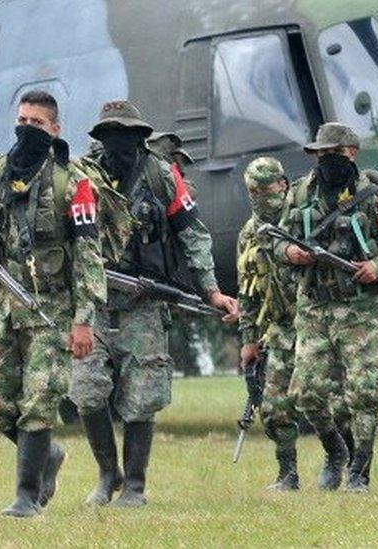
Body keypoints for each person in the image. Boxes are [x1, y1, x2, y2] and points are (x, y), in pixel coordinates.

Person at [70, 100, 238, 507]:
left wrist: (211, 290)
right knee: (87, 391)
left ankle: (136, 486)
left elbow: (192, 235)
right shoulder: (81, 178)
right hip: (91, 302)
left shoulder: (162, 177)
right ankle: (108, 474)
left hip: (145, 303)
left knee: (143, 395)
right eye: (110, 134)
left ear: (140, 137)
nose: (118, 143)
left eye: (126, 134)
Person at [0, 90, 106, 518]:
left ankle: (27, 497)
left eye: (37, 124)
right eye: (21, 120)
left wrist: (84, 321)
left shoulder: (73, 182)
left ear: (55, 129)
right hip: (4, 302)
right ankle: (48, 456)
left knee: (40, 399)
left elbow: (88, 256)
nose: (26, 128)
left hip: (52, 309)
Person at [269, 122, 378, 492]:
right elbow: (274, 242)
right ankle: (336, 451)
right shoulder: (301, 191)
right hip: (314, 308)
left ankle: (359, 473)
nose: (326, 160)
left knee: (364, 392)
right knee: (307, 394)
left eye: (333, 153)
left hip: (359, 309)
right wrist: (291, 252)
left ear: (352, 153)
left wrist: (377, 266)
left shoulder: (373, 193)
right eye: (320, 153)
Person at [236, 157, 302, 490]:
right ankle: (287, 474)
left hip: (317, 322)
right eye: (254, 190)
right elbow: (247, 294)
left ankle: (339, 456)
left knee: (324, 400)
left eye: (268, 187)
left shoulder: (303, 218)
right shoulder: (249, 234)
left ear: (284, 184)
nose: (262, 195)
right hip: (280, 330)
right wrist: (248, 340)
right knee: (274, 407)